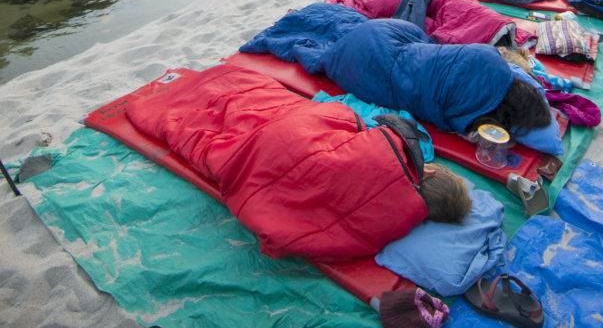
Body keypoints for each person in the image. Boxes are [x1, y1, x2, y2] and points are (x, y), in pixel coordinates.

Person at [126, 63, 470, 264]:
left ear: (432, 172)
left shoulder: (390, 153)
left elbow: (342, 118)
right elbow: (288, 235)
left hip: (277, 139)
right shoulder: (382, 231)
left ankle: (214, 84)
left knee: (251, 95)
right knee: (207, 127)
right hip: (253, 157)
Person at [320, 19, 552, 139]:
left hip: (382, 37)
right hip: (367, 63)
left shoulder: (490, 57)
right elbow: (446, 117)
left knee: (423, 45)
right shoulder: (469, 118)